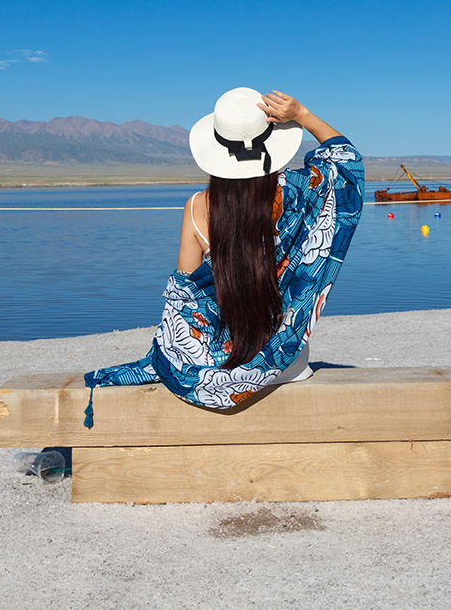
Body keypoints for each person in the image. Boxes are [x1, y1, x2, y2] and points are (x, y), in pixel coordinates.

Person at [83, 88, 364, 425]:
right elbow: (347, 162)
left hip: (224, 365)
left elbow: (187, 302)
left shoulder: (197, 207)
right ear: (272, 142)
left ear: (217, 150)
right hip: (289, 363)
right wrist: (301, 113)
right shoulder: (299, 192)